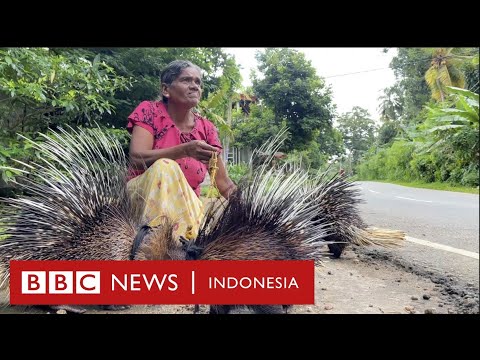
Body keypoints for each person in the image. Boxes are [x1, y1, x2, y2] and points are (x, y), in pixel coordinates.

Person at [126, 60, 236, 241]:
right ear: (165, 90)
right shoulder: (149, 112)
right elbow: (137, 158)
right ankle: (156, 243)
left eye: (198, 82)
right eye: (186, 80)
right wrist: (184, 150)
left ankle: (180, 248)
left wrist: (252, 206)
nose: (195, 87)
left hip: (186, 205)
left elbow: (224, 183)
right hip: (141, 195)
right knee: (165, 167)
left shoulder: (207, 129)